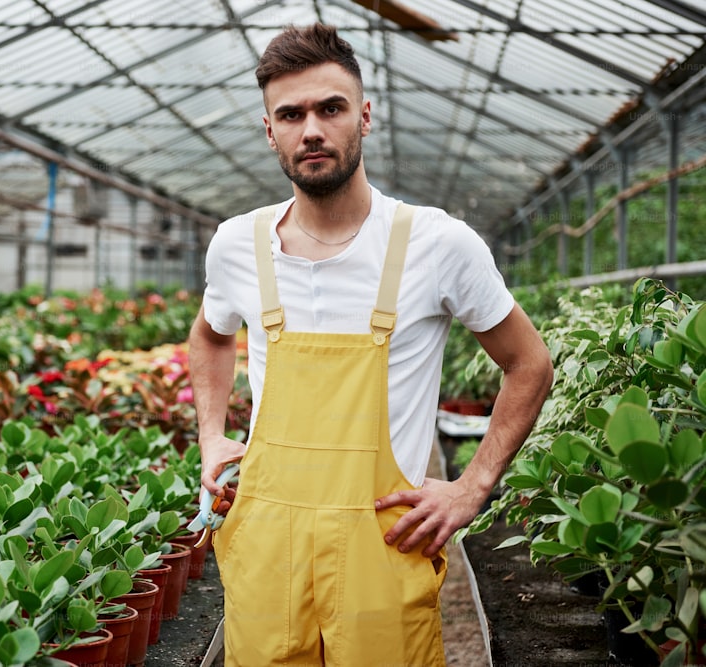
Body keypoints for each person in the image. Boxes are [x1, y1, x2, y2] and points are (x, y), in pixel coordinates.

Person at [187, 22, 553, 666]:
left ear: (365, 115)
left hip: (383, 546)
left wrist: (472, 487)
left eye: (331, 108)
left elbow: (529, 364)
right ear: (269, 130)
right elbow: (211, 335)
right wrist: (211, 436)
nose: (313, 130)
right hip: (268, 550)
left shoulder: (438, 244)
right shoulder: (238, 244)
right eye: (291, 114)